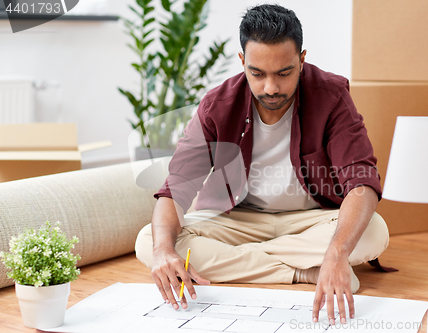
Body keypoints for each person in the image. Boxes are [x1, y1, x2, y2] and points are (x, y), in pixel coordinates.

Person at [135, 3, 389, 325]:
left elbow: (361, 183)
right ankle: (300, 270)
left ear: (302, 59)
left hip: (310, 220)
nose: (271, 88)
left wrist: (337, 251)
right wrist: (163, 251)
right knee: (150, 242)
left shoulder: (331, 95)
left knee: (374, 232)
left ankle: (295, 261)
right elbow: (176, 189)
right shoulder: (217, 105)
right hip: (238, 221)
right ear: (242, 61)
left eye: (284, 73)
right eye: (258, 73)